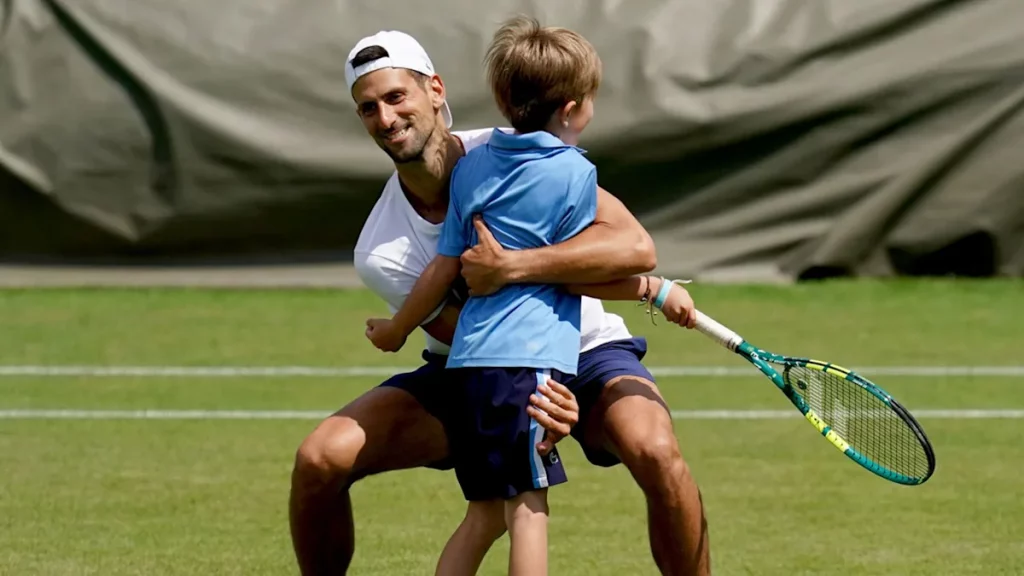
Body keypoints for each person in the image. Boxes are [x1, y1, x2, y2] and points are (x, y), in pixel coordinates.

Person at [288, 23, 712, 576]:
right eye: (368, 108)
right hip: (481, 369)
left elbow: (633, 245)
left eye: (396, 97)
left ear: (434, 90)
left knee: (655, 449)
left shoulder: (517, 146)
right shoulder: (380, 249)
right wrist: (530, 398)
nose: (386, 119)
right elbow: (464, 334)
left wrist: (516, 266)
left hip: (584, 349)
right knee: (320, 457)